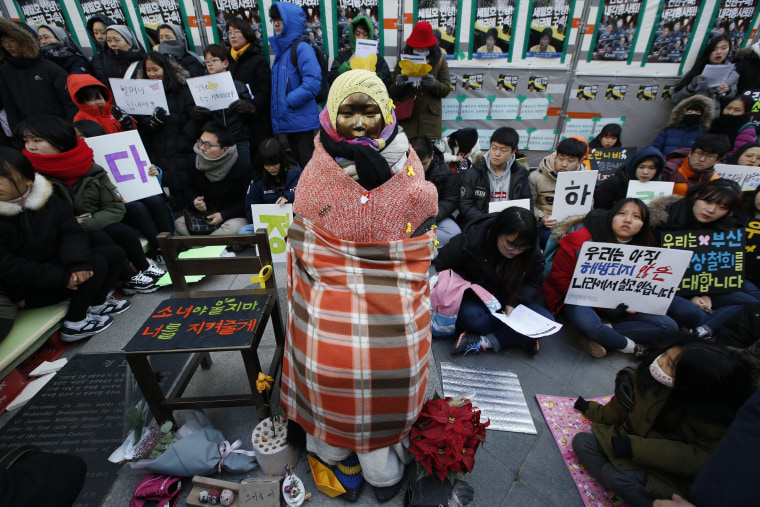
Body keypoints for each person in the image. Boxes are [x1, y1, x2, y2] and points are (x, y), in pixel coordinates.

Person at [280, 70, 438, 503]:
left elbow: (421, 226)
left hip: (395, 290)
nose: (359, 121)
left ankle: (381, 468)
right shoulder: (314, 171)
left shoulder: (409, 159)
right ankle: (334, 452)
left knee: (400, 364)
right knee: (328, 365)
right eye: (347, 111)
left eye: (369, 111)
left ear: (387, 111)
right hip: (329, 293)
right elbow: (307, 245)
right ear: (331, 114)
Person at [573, 340, 754, 507]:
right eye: (664, 354)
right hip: (627, 442)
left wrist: (635, 448)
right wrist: (591, 408)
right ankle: (617, 481)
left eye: (670, 364)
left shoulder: (712, 418)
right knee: (582, 442)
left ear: (691, 382)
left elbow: (699, 457)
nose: (659, 362)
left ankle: (627, 488)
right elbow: (620, 407)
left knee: (615, 477)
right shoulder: (653, 375)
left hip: (664, 468)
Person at [16, 115, 164, 295]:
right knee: (99, 237)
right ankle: (128, 278)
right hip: (63, 238)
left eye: (37, 140)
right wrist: (73, 225)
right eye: (26, 141)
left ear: (60, 141)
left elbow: (115, 207)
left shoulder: (90, 167)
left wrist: (84, 222)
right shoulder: (28, 177)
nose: (30, 147)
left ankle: (143, 266)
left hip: (90, 225)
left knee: (119, 229)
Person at [0, 147, 129, 341]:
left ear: (28, 179)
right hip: (26, 287)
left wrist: (76, 264)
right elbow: (8, 267)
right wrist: (62, 276)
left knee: (113, 253)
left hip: (54, 267)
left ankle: (96, 304)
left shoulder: (46, 197)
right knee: (97, 263)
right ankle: (75, 323)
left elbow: (71, 231)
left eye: (3, 177)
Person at [543, 199, 679, 357]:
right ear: (611, 215)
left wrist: (634, 300)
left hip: (624, 302)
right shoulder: (581, 238)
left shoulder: (646, 244)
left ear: (644, 224)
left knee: (669, 327)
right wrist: (604, 304)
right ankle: (630, 346)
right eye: (622, 213)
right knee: (588, 324)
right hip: (579, 298)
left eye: (636, 216)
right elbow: (560, 278)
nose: (628, 220)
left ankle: (603, 332)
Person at [434, 207, 552, 355]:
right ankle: (523, 335)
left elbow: (534, 281)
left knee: (547, 319)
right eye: (510, 244)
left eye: (522, 248)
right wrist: (472, 287)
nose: (515, 251)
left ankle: (486, 341)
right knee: (471, 318)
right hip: (476, 298)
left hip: (511, 299)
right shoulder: (471, 239)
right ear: (497, 233)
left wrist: (514, 302)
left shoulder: (530, 251)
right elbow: (443, 265)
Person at [649, 179, 758, 338]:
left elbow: (720, 270)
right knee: (692, 314)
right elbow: (653, 271)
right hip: (666, 289)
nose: (712, 210)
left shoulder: (727, 231)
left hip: (708, 289)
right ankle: (711, 324)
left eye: (722, 207)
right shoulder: (662, 220)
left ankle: (703, 330)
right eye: (708, 201)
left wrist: (709, 293)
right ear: (697, 195)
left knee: (750, 303)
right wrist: (690, 296)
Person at [135, 51, 200, 210]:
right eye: (148, 70)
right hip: (158, 150)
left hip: (183, 148)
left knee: (187, 189)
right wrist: (150, 124)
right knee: (166, 189)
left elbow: (196, 117)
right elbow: (140, 124)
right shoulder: (141, 94)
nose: (152, 74)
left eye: (155, 69)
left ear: (165, 69)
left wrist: (186, 136)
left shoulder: (183, 90)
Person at [174, 122, 249, 236]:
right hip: (205, 216)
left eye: (208, 145)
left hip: (230, 217)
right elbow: (189, 188)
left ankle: (199, 247)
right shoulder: (194, 160)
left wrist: (223, 215)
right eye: (201, 142)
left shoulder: (242, 165)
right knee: (179, 224)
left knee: (236, 228)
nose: (202, 148)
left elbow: (247, 200)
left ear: (224, 149)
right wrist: (195, 200)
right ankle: (209, 246)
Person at [0, 19, 77, 131]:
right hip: (28, 133)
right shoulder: (4, 72)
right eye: (3, 41)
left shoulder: (48, 67)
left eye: (12, 40)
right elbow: (10, 108)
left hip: (59, 128)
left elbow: (69, 102)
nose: (8, 45)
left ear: (26, 41)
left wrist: (70, 128)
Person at [268, 2, 320, 169]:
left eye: (280, 19)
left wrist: (288, 101)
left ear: (290, 21)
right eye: (274, 20)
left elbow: (312, 83)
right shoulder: (282, 52)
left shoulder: (302, 48)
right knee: (297, 170)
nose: (276, 24)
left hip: (302, 126)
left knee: (309, 170)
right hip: (289, 124)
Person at [390, 21, 451, 141]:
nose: (421, 50)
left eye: (424, 47)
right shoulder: (404, 61)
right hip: (407, 121)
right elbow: (393, 91)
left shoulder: (439, 61)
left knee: (428, 157)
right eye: (418, 48)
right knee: (407, 156)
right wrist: (399, 83)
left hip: (430, 122)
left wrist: (434, 84)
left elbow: (445, 89)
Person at [458, 127, 531, 226]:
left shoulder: (520, 174)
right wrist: (487, 221)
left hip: (510, 224)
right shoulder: (473, 173)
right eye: (494, 147)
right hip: (481, 223)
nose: (497, 154)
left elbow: (526, 203)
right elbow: (465, 205)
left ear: (513, 152)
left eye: (503, 150)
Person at [224, 18, 273, 157]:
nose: (232, 36)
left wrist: (251, 107)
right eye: (229, 33)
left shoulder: (258, 60)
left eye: (236, 32)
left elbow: (265, 91)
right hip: (236, 124)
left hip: (257, 122)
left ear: (246, 33)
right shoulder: (227, 61)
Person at [529, 136, 589, 246]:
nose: (564, 164)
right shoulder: (536, 177)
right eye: (561, 158)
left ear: (580, 162)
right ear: (555, 156)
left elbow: (589, 207)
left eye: (571, 161)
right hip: (546, 226)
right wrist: (541, 218)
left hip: (574, 226)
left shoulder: (585, 179)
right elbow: (529, 204)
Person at [238, 137, 301, 235]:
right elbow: (250, 211)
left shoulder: (297, 174)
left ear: (281, 160)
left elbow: (307, 197)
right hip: (268, 226)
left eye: (275, 163)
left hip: (295, 224)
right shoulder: (257, 181)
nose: (271, 168)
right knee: (243, 231)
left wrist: (288, 196)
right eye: (267, 164)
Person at [410, 135, 461, 249]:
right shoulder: (398, 169)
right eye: (414, 163)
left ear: (432, 155)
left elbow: (450, 199)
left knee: (454, 233)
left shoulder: (444, 172)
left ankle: (416, 247)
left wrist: (431, 215)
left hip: (433, 217)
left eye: (424, 163)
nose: (419, 168)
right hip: (407, 219)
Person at [672, 35, 738, 115]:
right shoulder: (696, 71)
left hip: (713, 117)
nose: (719, 52)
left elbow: (733, 100)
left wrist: (727, 91)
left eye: (724, 48)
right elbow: (675, 99)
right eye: (714, 49)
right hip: (690, 115)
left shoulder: (732, 74)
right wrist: (691, 87)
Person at [328, 14, 391, 87]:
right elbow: (332, 81)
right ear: (352, 35)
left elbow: (387, 84)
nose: (361, 38)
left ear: (370, 36)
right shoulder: (342, 58)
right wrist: (347, 65)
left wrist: (377, 78)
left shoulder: (379, 61)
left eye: (365, 35)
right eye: (358, 34)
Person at [593, 146, 665, 210]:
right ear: (634, 166)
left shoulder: (660, 185)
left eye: (651, 168)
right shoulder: (615, 182)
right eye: (641, 167)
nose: (645, 172)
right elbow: (599, 210)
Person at [67, 73, 135, 134]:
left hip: (124, 144)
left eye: (99, 98)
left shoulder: (114, 110)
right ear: (82, 101)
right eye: (92, 100)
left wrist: (129, 125)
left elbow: (134, 131)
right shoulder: (80, 117)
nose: (97, 102)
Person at [662, 134, 729, 196]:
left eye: (710, 156)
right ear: (691, 153)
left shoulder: (714, 180)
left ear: (718, 160)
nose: (702, 159)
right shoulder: (667, 169)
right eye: (699, 153)